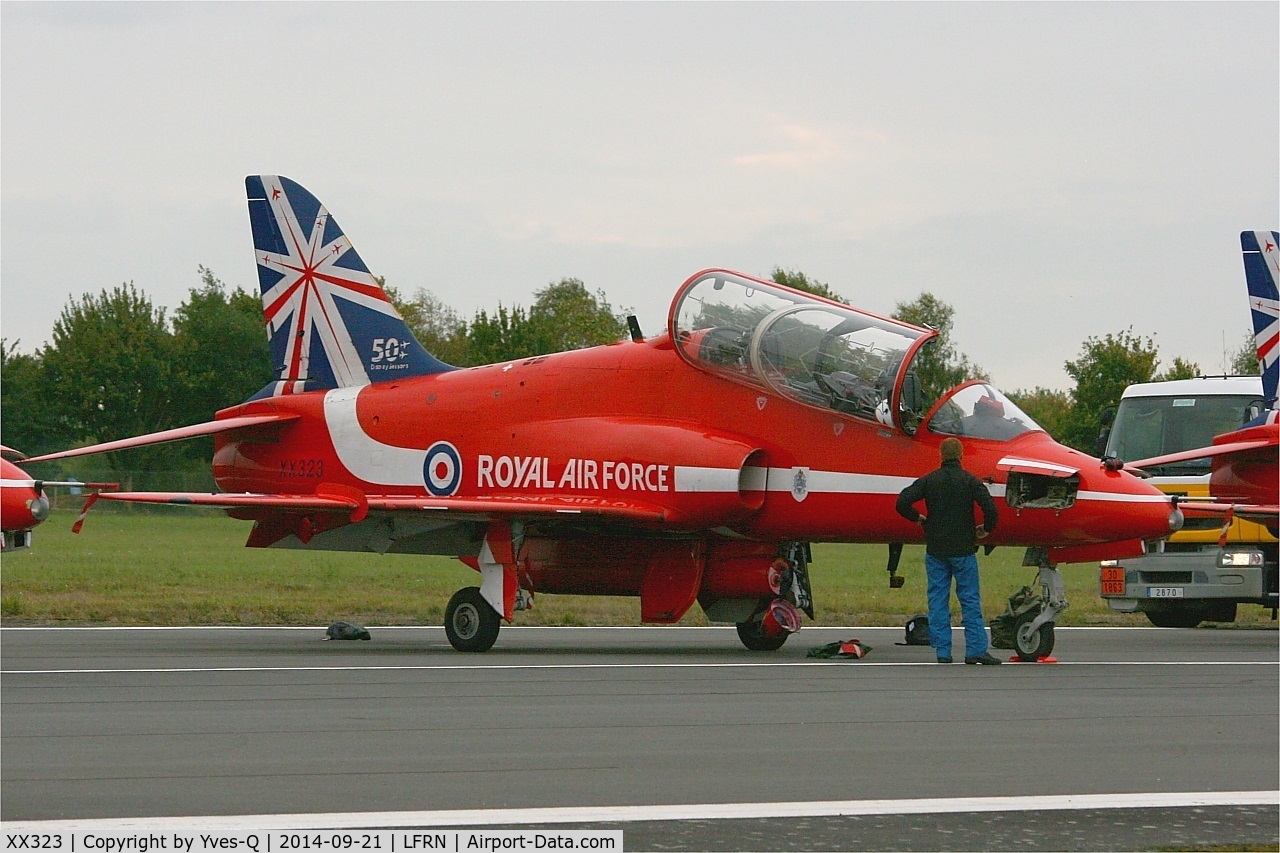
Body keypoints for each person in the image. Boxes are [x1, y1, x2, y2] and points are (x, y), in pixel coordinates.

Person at [895, 437, 1002, 665]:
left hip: (936, 550)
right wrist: (986, 529)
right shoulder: (970, 481)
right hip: (963, 549)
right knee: (970, 600)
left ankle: (943, 651)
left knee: (937, 600)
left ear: (941, 455)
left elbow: (902, 502)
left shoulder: (930, 481)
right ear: (961, 455)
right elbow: (991, 509)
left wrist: (919, 518)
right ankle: (975, 650)